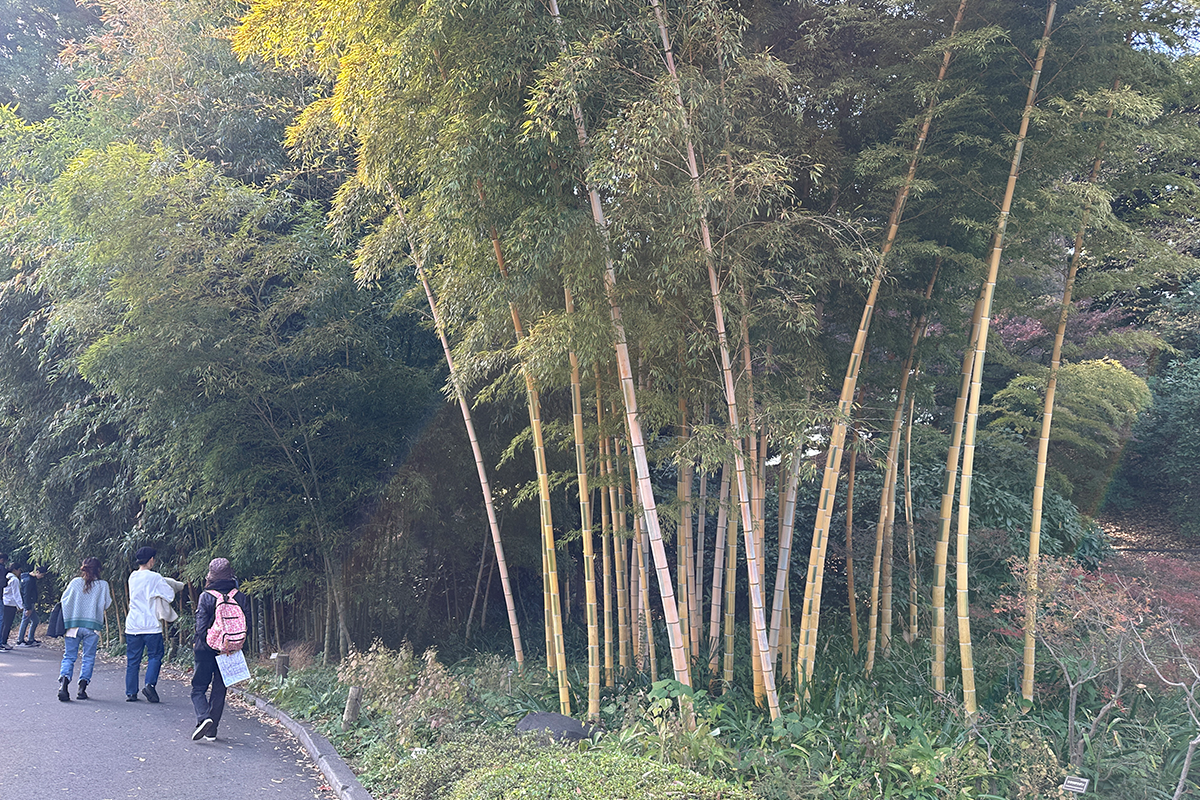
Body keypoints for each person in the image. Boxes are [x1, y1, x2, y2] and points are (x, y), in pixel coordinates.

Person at [191, 557, 248, 742]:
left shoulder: (206, 596)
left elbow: (200, 629)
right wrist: (232, 646)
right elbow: (247, 626)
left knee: (198, 688)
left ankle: (203, 717)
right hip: (230, 650)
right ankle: (212, 730)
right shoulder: (239, 596)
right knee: (219, 689)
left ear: (210, 575)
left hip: (205, 650)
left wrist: (210, 646)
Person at [124, 546, 182, 703]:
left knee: (133, 659)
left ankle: (131, 692)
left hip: (133, 625)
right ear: (151, 560)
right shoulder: (155, 577)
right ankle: (149, 685)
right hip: (150, 625)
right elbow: (169, 596)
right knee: (155, 656)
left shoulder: (132, 577)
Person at [58, 557, 112, 701]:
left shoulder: (75, 583)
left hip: (73, 626)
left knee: (69, 656)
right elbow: (107, 604)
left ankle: (63, 684)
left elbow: (64, 600)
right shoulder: (103, 585)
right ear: (99, 569)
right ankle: (82, 688)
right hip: (92, 627)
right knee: (88, 657)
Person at [16, 565, 46, 646]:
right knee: (25, 620)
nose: (42, 577)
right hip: (28, 603)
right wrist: (28, 607)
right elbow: (26, 595)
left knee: (35, 620)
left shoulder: (26, 577)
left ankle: (30, 639)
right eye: (42, 575)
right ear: (37, 572)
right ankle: (20, 640)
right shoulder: (29, 580)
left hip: (29, 603)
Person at [1, 563, 23, 650]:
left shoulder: (6, 577)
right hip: (11, 604)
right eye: (19, 570)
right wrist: (20, 606)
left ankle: (2, 641)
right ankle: (4, 641)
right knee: (8, 624)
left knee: (3, 623)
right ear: (15, 570)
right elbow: (16, 594)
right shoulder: (15, 580)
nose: (20, 572)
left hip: (4, 602)